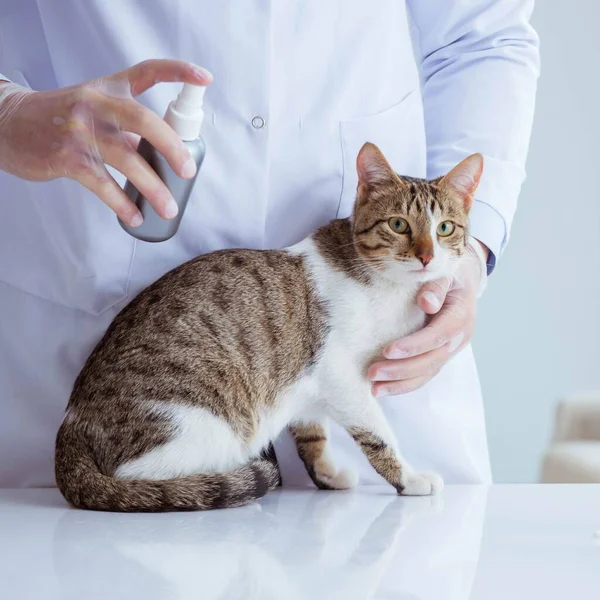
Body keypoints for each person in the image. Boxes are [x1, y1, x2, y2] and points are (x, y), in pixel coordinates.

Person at [0, 1, 539, 488]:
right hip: (98, 315)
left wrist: (469, 249)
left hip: (383, 313)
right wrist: (6, 112)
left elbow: (482, 38)